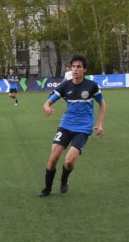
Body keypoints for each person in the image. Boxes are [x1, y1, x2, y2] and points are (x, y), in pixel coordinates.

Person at [39, 56, 104, 196]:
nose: (75, 70)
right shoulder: (65, 86)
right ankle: (47, 189)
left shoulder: (91, 86)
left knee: (69, 161)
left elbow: (102, 103)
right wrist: (47, 108)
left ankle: (64, 179)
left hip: (83, 128)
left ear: (84, 69)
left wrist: (99, 124)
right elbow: (47, 102)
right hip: (66, 125)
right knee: (53, 158)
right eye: (73, 67)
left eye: (78, 67)